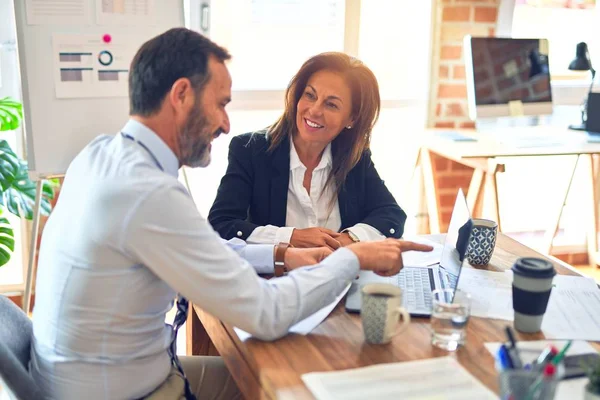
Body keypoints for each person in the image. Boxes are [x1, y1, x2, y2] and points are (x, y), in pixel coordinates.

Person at [30, 28, 432, 400]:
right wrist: (352, 258)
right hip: (127, 393)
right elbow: (268, 314)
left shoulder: (101, 154)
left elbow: (203, 247)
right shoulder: (150, 195)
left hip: (95, 377)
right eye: (220, 104)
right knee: (300, 387)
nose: (225, 124)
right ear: (182, 95)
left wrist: (280, 255)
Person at [208, 52, 406, 250]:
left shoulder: (355, 158)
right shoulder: (250, 150)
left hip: (340, 277)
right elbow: (221, 224)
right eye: (310, 95)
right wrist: (290, 237)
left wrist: (348, 240)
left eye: (331, 104)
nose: (314, 110)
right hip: (277, 278)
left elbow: (391, 215)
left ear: (352, 119)